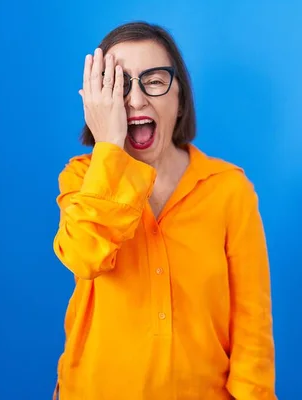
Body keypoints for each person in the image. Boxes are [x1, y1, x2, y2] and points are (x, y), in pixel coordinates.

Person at [51, 21, 277, 400]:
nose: (136, 100)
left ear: (180, 98)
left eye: (154, 80)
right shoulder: (82, 178)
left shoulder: (229, 189)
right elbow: (84, 257)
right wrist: (108, 145)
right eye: (118, 84)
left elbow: (252, 325)